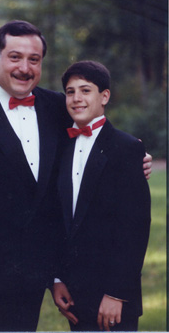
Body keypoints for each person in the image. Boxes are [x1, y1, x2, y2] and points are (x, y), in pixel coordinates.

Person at [0, 20, 152, 332]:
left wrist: (134, 158)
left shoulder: (57, 106)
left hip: (37, 272)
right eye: (15, 57)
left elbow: (98, 136)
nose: (24, 68)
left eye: (33, 60)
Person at [52, 60, 151, 332]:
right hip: (74, 293)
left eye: (86, 90)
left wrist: (117, 293)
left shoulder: (127, 148)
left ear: (104, 96)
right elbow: (60, 219)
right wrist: (57, 278)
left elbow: (135, 227)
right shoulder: (62, 146)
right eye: (70, 92)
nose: (76, 98)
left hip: (114, 297)